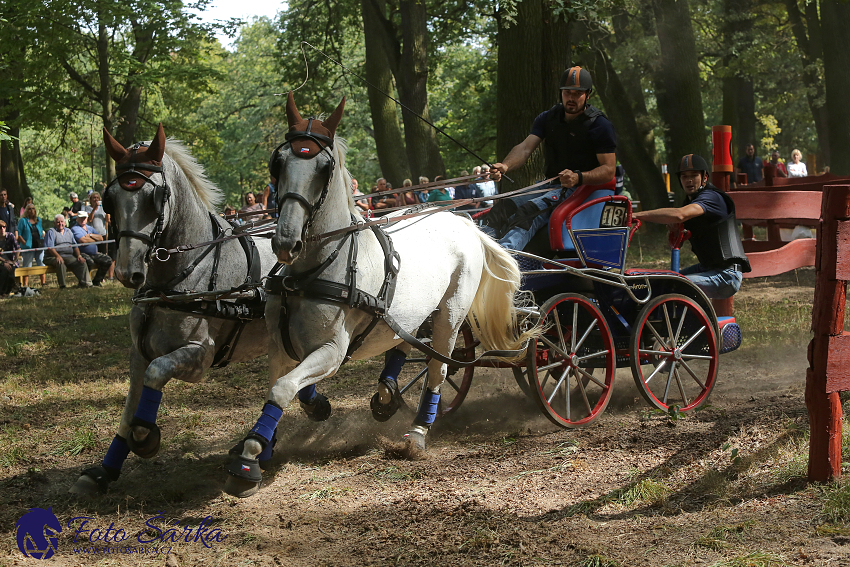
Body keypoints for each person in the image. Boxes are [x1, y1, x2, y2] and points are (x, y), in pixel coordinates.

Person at [485, 66, 617, 251]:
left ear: (587, 95)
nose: (571, 98)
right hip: (550, 185)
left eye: (577, 93)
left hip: (581, 189)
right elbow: (524, 148)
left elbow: (609, 170)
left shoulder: (600, 125)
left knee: (529, 211)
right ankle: (481, 253)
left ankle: (503, 261)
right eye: (567, 93)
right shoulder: (548, 118)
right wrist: (505, 166)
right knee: (502, 208)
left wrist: (578, 177)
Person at [633, 154, 751, 299]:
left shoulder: (711, 197)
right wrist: (676, 232)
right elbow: (678, 231)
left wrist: (636, 215)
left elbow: (679, 215)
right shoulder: (689, 204)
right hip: (708, 269)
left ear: (705, 177)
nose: (689, 180)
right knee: (661, 283)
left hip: (726, 275)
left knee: (674, 286)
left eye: (694, 175)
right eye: (684, 176)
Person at [44, 213, 92, 288]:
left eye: (62, 221)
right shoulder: (51, 232)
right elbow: (50, 247)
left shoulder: (69, 231)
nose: (60, 224)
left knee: (82, 262)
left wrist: (79, 256)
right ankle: (62, 286)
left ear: (65, 222)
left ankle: (86, 283)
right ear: (54, 223)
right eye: (58, 222)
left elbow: (75, 245)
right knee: (60, 262)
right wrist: (57, 256)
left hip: (69, 256)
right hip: (53, 256)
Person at [71, 211, 112, 287]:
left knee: (107, 260)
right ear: (77, 218)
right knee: (89, 262)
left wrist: (90, 235)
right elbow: (82, 240)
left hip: (94, 253)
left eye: (84, 218)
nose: (83, 220)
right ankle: (84, 282)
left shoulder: (90, 228)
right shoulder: (75, 229)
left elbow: (100, 238)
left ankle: (97, 281)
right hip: (82, 253)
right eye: (81, 218)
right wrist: (95, 239)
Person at [16, 203, 46, 287]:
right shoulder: (23, 220)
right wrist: (23, 241)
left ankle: (43, 283)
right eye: (29, 209)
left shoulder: (38, 220)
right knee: (27, 265)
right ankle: (25, 284)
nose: (31, 210)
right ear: (26, 210)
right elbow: (19, 233)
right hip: (28, 246)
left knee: (40, 262)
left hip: (39, 245)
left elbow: (41, 230)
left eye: (33, 208)